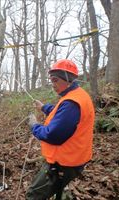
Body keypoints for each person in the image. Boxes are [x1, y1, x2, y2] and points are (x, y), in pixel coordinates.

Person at [26, 59, 95, 200]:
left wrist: (34, 125)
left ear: (68, 79)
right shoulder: (76, 95)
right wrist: (44, 107)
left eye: (55, 80)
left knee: (34, 195)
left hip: (63, 164)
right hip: (72, 158)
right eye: (51, 80)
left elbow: (53, 135)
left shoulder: (71, 103)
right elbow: (61, 114)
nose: (53, 85)